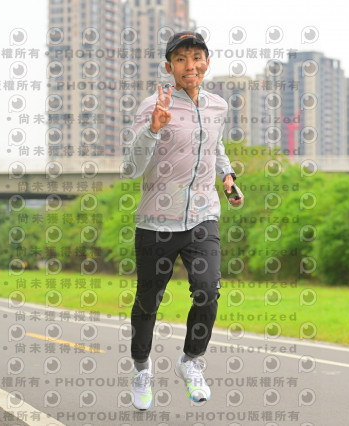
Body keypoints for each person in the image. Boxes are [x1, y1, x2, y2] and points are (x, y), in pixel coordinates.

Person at [122, 31, 244, 411]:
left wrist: (227, 175)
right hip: (157, 221)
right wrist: (153, 129)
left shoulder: (218, 106)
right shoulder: (152, 106)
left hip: (203, 217)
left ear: (207, 61)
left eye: (196, 57)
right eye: (180, 59)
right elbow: (130, 168)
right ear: (169, 66)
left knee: (208, 291)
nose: (190, 66)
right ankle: (141, 369)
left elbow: (215, 145)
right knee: (148, 302)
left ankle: (191, 360)